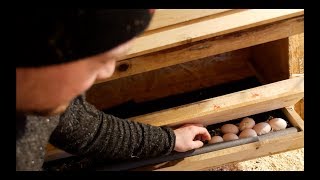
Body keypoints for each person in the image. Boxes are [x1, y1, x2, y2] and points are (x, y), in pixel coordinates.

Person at [16, 9, 211, 171]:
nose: (108, 72)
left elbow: (89, 130)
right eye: (100, 59)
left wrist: (169, 140)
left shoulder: (47, 93)